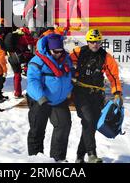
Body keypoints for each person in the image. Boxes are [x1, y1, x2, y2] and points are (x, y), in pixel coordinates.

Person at [70, 29, 123, 163]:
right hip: (80, 93)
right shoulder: (78, 52)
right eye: (92, 42)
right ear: (88, 41)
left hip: (97, 95)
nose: (95, 45)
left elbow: (113, 76)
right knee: (88, 120)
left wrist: (117, 94)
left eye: (97, 42)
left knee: (91, 124)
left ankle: (79, 156)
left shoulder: (106, 57)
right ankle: (91, 154)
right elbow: (64, 61)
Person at [26, 33, 73, 162]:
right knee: (37, 130)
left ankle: (58, 159)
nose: (58, 54)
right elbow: (33, 81)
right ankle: (36, 160)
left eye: (60, 51)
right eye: (55, 51)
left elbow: (70, 75)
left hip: (59, 101)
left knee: (63, 126)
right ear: (48, 49)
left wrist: (70, 90)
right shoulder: (37, 61)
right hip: (40, 100)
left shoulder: (66, 59)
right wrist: (41, 98)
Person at [5, 27, 36, 99]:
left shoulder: (14, 36)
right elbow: (32, 42)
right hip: (19, 57)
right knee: (31, 71)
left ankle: (17, 93)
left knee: (17, 74)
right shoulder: (23, 37)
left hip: (11, 57)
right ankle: (31, 91)